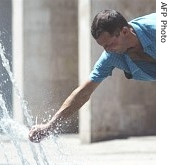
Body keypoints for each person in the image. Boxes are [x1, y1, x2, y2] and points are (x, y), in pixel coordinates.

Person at [28, 9, 156, 143]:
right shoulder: (111, 56)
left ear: (124, 32)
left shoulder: (157, 30)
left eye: (110, 44)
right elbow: (84, 92)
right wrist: (49, 126)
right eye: (103, 46)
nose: (107, 50)